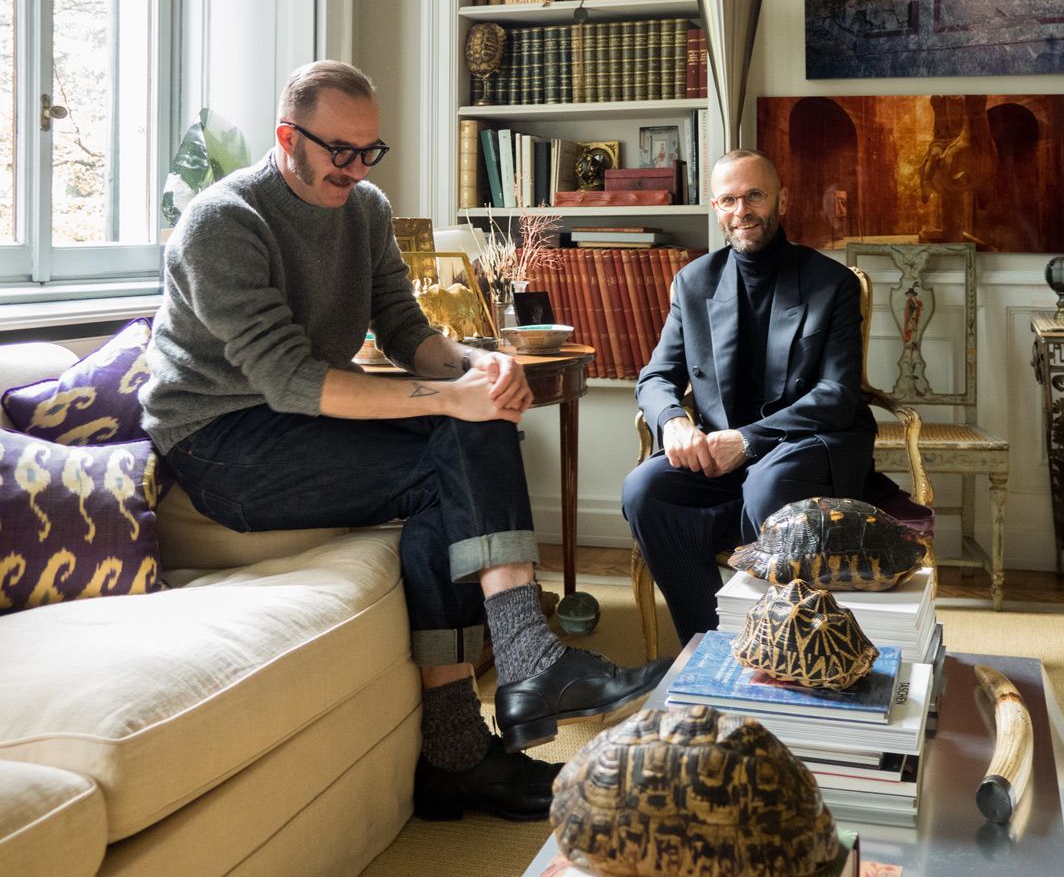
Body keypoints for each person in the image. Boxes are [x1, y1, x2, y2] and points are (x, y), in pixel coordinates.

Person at [141, 61, 669, 822]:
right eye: (339, 152)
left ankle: (456, 755)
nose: (355, 169)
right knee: (459, 430)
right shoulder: (224, 223)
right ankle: (527, 660)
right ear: (289, 137)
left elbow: (407, 330)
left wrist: (479, 365)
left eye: (370, 152)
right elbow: (289, 378)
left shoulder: (364, 209)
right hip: (221, 443)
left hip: (300, 423)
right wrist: (453, 397)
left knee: (460, 459)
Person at [621, 149, 878, 646]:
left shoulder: (832, 284)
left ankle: (786, 645)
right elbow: (655, 376)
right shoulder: (694, 283)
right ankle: (709, 641)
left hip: (804, 444)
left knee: (767, 489)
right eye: (729, 200)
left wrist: (746, 439)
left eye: (755, 196)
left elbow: (837, 394)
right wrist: (674, 420)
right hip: (719, 451)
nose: (743, 212)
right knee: (644, 489)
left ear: (781, 198)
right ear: (716, 208)